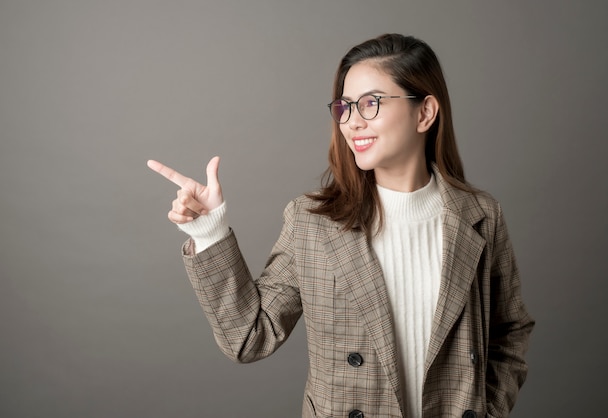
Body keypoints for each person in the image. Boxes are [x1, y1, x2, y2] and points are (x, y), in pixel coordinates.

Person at [147, 33, 534, 418]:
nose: (352, 123)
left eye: (371, 104)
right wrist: (211, 232)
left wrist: (488, 409)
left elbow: (509, 331)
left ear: (425, 113)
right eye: (345, 106)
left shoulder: (481, 216)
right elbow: (248, 338)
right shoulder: (312, 223)